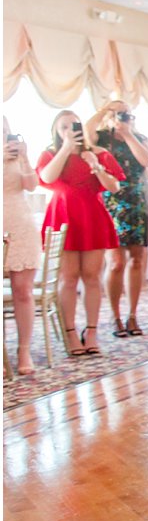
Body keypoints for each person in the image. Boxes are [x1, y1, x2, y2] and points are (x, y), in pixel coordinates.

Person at [36, 109, 124, 357]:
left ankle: (92, 331)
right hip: (62, 216)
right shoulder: (51, 154)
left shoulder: (98, 154)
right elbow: (46, 176)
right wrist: (65, 149)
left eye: (73, 125)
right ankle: (70, 332)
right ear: (55, 131)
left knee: (92, 276)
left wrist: (95, 166)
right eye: (62, 127)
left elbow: (114, 186)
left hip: (92, 216)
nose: (68, 130)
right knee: (68, 277)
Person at [86, 101, 148, 337]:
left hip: (136, 201)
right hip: (112, 202)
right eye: (120, 113)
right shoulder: (102, 138)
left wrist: (129, 134)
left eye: (127, 113)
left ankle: (132, 314)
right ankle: (115, 316)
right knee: (115, 261)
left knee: (137, 258)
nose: (124, 117)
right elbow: (86, 132)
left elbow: (145, 161)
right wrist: (104, 110)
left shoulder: (139, 137)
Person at [3, 117, 41, 374]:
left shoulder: (18, 155)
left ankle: (24, 349)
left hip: (21, 224)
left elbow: (31, 185)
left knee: (23, 291)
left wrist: (25, 157)